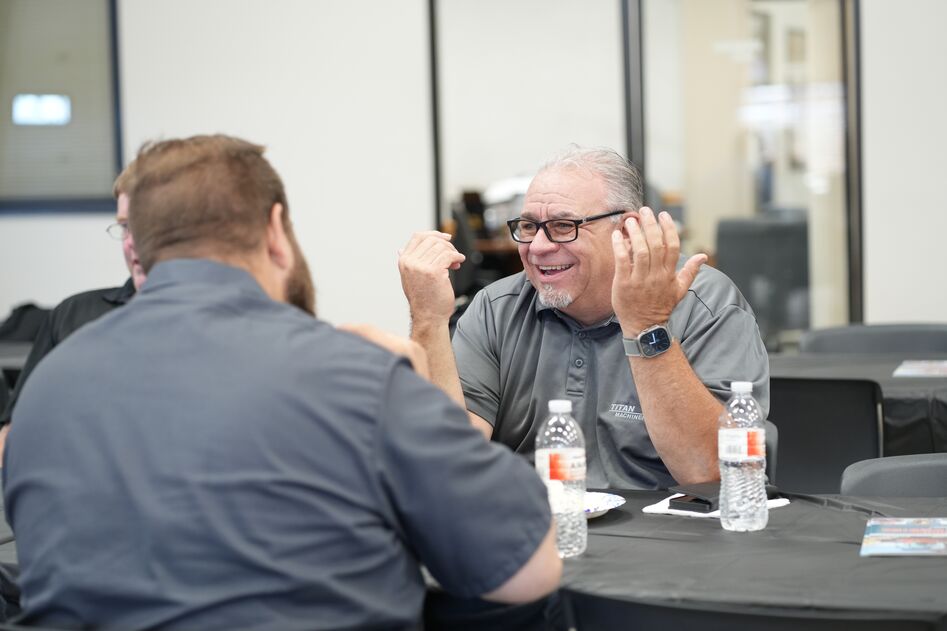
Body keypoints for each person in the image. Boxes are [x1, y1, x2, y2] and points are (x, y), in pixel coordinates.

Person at [2, 135, 560, 630]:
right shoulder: (358, 374)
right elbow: (525, 573)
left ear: (138, 243)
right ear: (275, 231)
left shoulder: (51, 382)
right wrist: (417, 395)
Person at [398, 146, 769, 490]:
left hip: (670, 539)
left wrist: (646, 325)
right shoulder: (497, 308)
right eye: (528, 226)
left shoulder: (703, 302)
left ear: (626, 230)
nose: (539, 247)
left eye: (563, 226)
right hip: (536, 533)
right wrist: (428, 319)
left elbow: (713, 474)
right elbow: (445, 464)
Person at [0, 168, 146, 451]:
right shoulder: (73, 314)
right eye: (125, 227)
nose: (130, 243)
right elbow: (13, 432)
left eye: (143, 227)